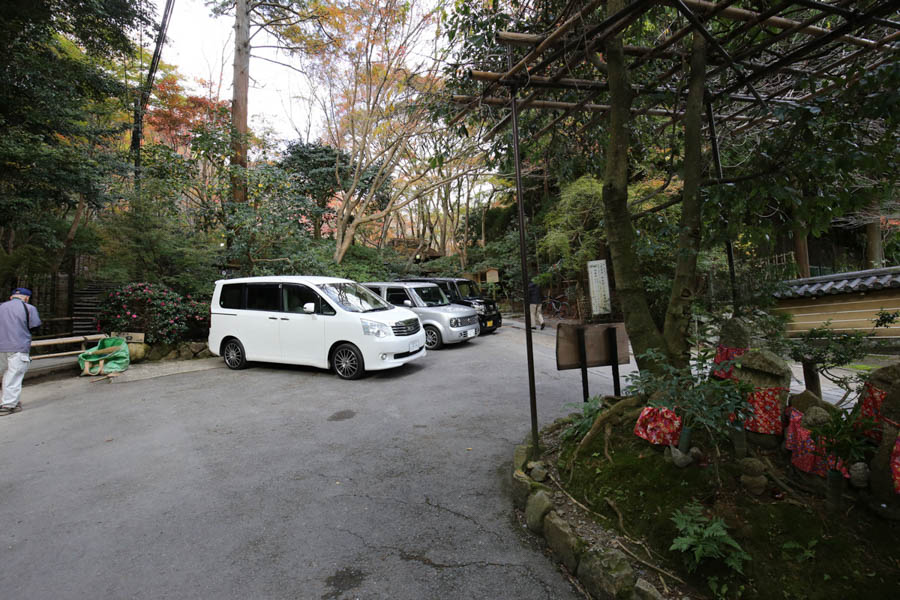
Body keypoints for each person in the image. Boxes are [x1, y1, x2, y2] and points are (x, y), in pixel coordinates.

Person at [0, 287, 41, 416]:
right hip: (18, 346)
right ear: (26, 298)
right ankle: (8, 405)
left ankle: (9, 401)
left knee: (5, 374)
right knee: (14, 375)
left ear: (11, 297)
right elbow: (35, 326)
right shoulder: (29, 308)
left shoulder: (1, 307)